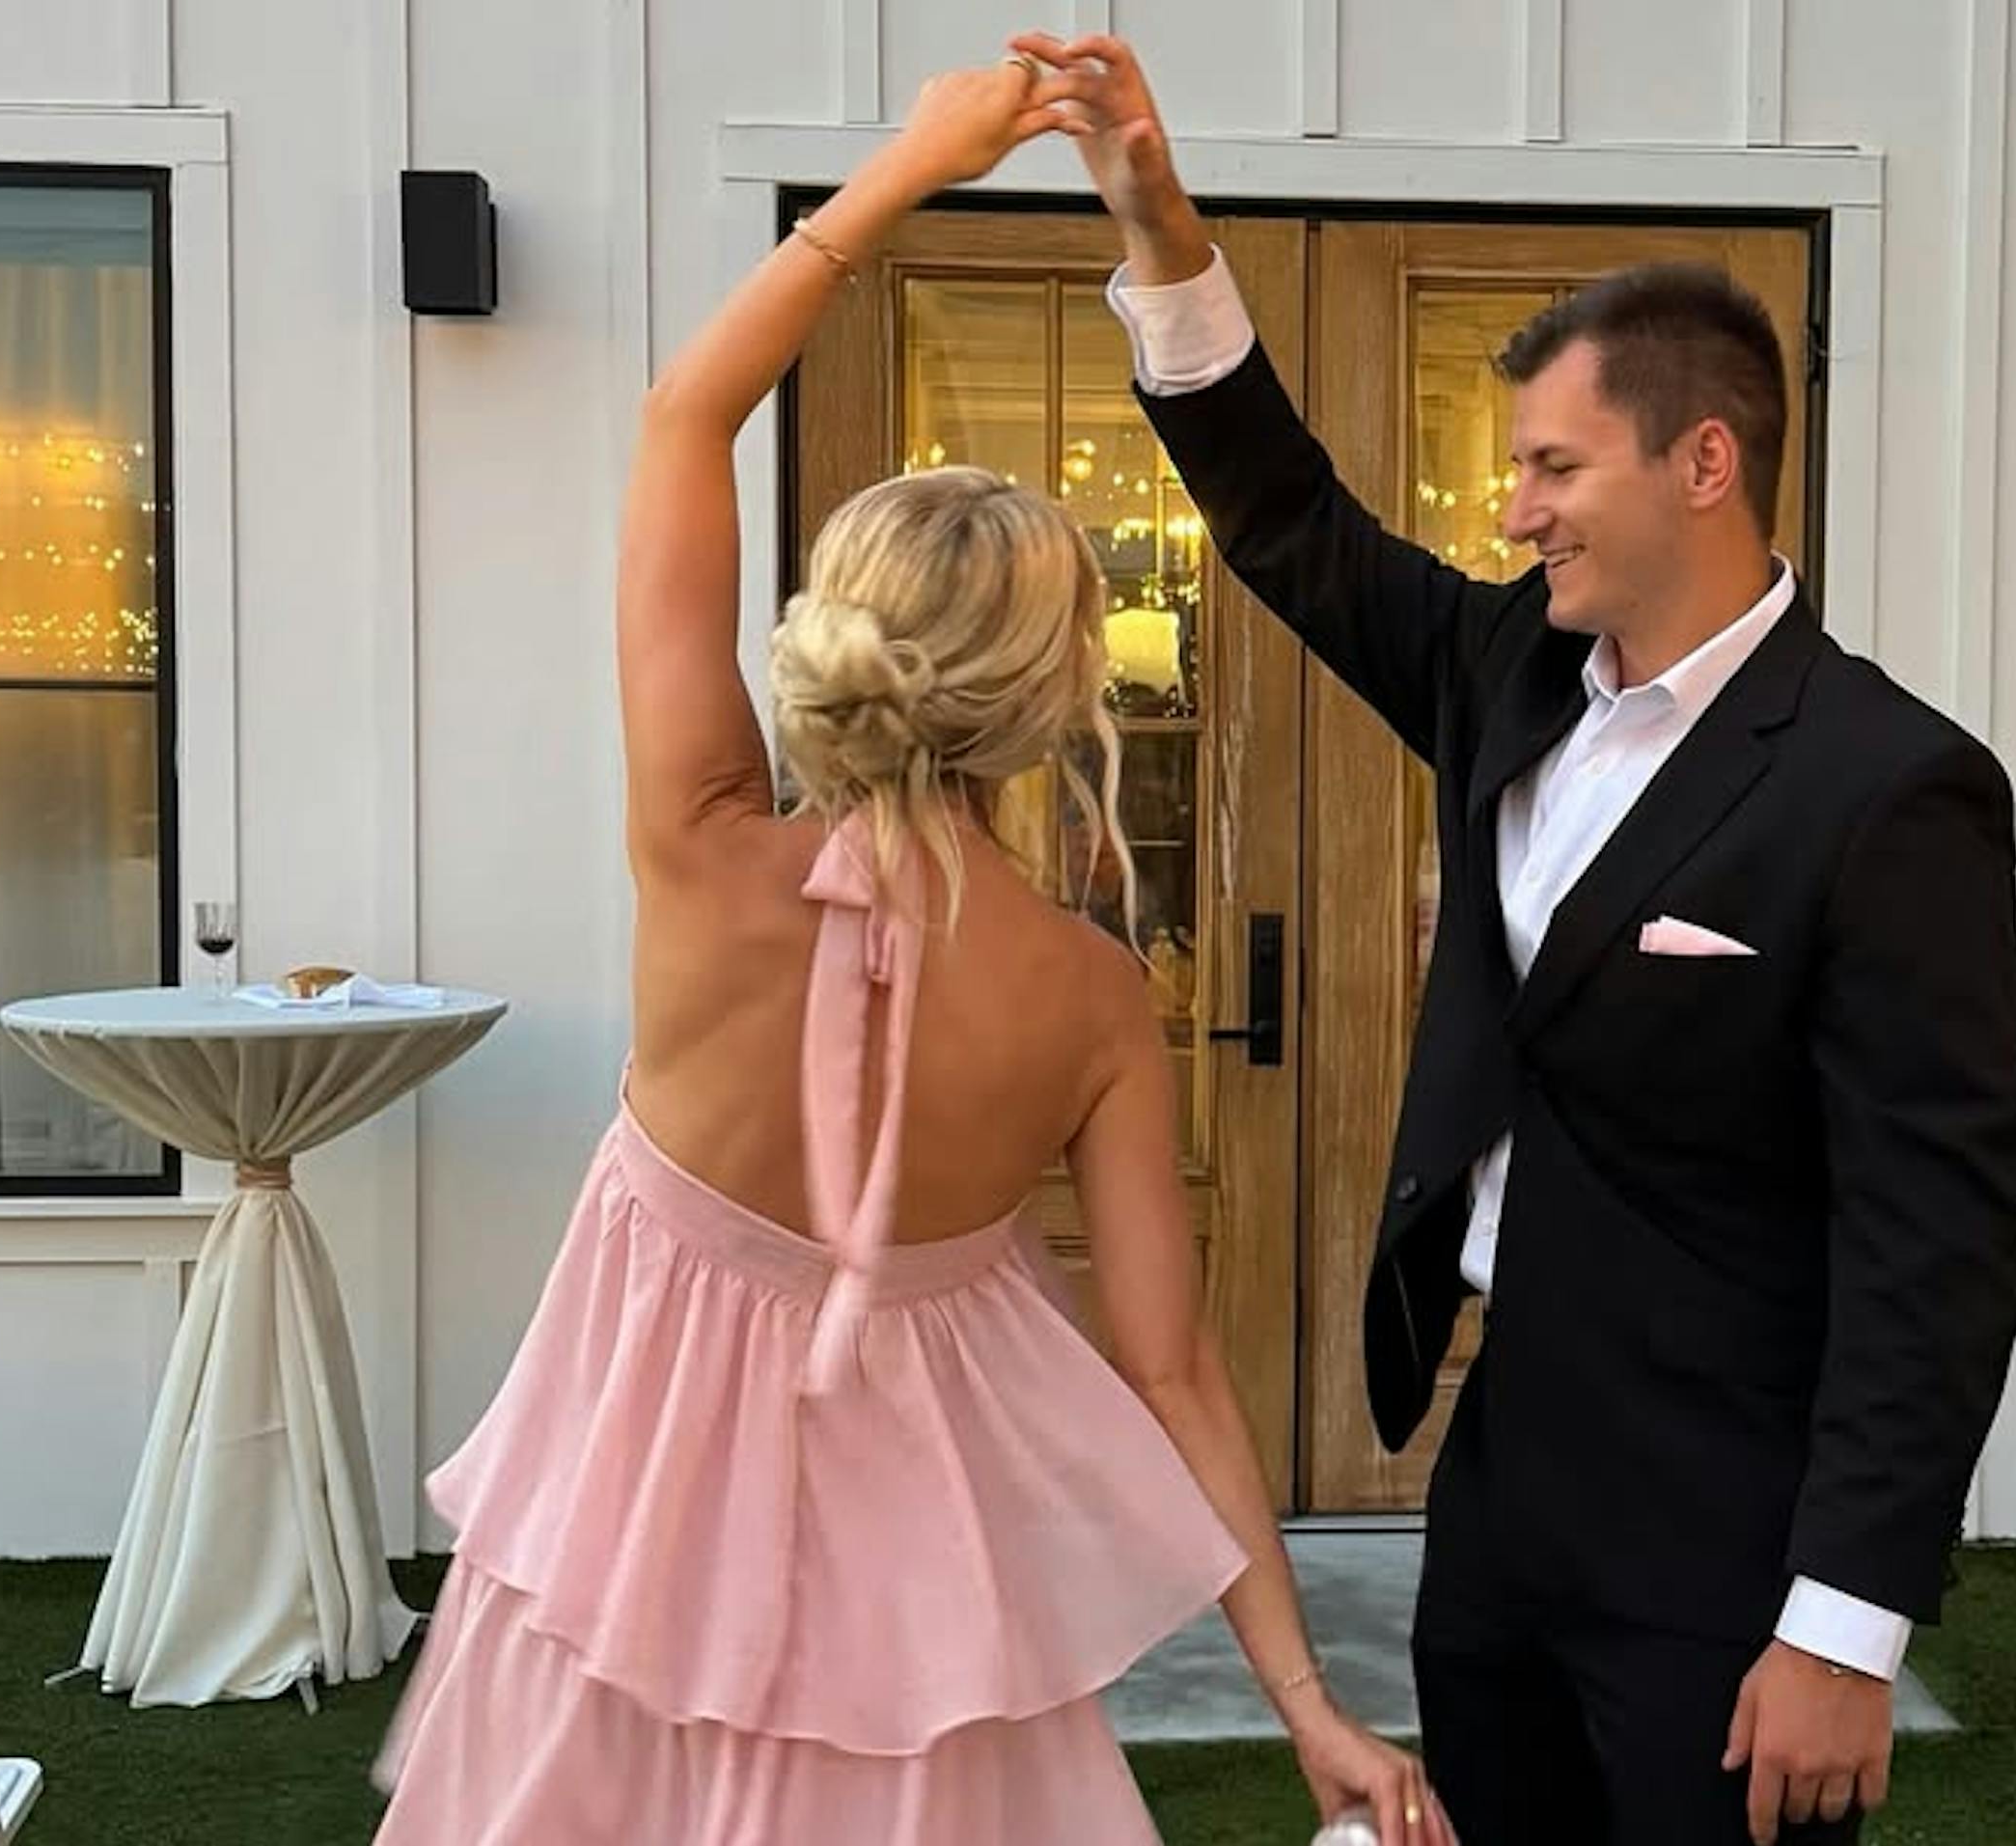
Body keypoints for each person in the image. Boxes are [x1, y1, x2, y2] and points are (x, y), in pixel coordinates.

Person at [370, 56, 1447, 1846]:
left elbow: (676, 425)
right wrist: (1308, 1705)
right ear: (1055, 700)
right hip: (920, 1677)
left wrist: (899, 179)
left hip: (613, 1600)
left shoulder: (703, 851)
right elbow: (1175, 1371)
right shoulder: (1097, 1000)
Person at [1019, 31, 2016, 1845]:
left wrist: (1846, 1617)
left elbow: (1942, 1230)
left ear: (1707, 462)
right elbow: (1288, 520)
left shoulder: (1895, 789)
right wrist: (1156, 224)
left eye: (1554, 467)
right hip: (1497, 1472)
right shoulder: (1510, 671)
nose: (1510, 510)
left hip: (1731, 1518)